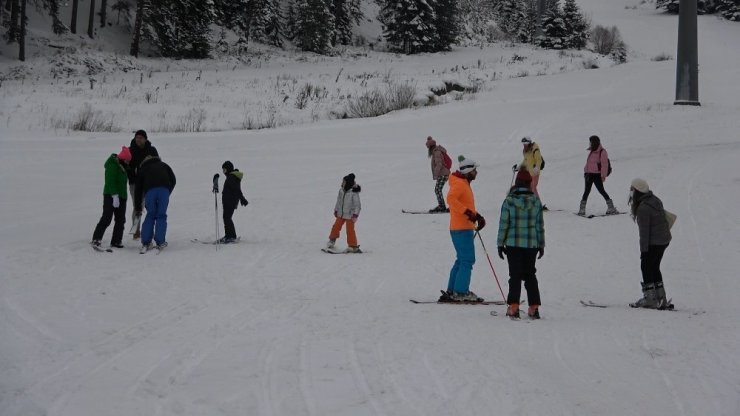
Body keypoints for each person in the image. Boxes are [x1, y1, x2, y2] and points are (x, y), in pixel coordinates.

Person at [496, 169, 545, 319]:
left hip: (513, 244)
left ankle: (514, 307)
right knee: (530, 274)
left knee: (515, 275)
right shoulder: (536, 202)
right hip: (531, 244)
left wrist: (500, 243)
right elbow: (539, 225)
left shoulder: (509, 201)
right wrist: (541, 245)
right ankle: (534, 307)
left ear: (516, 183)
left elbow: (504, 224)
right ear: (530, 183)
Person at [440, 155, 485, 302]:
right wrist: (468, 213)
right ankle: (460, 292)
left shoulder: (462, 182)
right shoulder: (460, 184)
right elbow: (451, 200)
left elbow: (465, 205)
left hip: (461, 227)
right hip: (461, 228)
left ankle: (453, 290)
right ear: (468, 171)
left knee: (461, 259)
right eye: (475, 170)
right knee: (467, 259)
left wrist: (477, 216)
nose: (476, 173)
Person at [628, 178, 672, 309]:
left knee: (646, 266)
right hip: (664, 240)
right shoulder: (655, 200)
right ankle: (660, 297)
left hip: (654, 241)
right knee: (654, 267)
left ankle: (650, 298)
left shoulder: (643, 208)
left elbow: (644, 232)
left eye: (632, 189)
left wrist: (644, 251)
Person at [91, 146, 131, 249]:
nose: (128, 162)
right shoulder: (112, 165)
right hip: (110, 195)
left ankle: (116, 241)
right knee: (107, 217)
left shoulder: (123, 167)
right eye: (127, 160)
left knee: (120, 220)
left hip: (122, 197)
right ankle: (96, 239)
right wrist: (114, 195)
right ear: (122, 159)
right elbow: (110, 181)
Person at [134, 155, 176, 252]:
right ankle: (160, 241)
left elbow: (138, 189)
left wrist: (138, 206)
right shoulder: (164, 165)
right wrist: (167, 191)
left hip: (150, 192)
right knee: (161, 215)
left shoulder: (143, 169)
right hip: (164, 191)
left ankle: (146, 242)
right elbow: (173, 180)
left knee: (150, 215)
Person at [127, 130, 159, 240]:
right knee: (138, 206)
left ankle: (151, 231)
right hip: (135, 183)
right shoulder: (130, 150)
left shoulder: (151, 150)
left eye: (141, 137)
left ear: (145, 139)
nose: (138, 139)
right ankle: (136, 231)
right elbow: (125, 167)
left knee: (152, 206)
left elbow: (158, 163)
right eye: (137, 137)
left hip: (149, 182)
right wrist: (133, 170)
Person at [578, 135, 618, 216]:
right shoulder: (592, 151)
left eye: (591, 142)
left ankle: (611, 207)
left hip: (597, 175)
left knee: (601, 191)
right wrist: (586, 171)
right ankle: (582, 210)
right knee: (586, 191)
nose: (589, 143)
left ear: (594, 142)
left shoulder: (602, 152)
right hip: (589, 174)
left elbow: (604, 164)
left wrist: (603, 176)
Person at [326, 173, 362, 253]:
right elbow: (338, 201)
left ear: (348, 183)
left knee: (350, 230)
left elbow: (357, 205)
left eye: (344, 182)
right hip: (341, 214)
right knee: (336, 227)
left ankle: (353, 246)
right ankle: (332, 241)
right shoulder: (341, 191)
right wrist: (336, 210)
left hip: (350, 215)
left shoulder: (353, 193)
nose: (342, 183)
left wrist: (355, 215)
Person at [220, 161, 248, 243]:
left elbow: (236, 189)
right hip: (229, 201)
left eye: (224, 170)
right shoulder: (231, 177)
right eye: (223, 170)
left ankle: (231, 236)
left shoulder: (231, 177)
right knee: (227, 218)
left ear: (228, 169)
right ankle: (228, 235)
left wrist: (242, 199)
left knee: (227, 218)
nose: (223, 172)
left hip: (230, 202)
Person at [515, 136, 546, 209]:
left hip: (535, 172)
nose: (524, 145)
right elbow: (526, 160)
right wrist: (519, 167)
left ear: (529, 143)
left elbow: (539, 160)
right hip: (530, 172)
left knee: (533, 187)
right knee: (530, 188)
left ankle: (538, 205)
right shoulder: (525, 151)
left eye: (525, 143)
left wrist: (537, 168)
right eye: (523, 143)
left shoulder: (535, 149)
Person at [425, 136, 451, 213]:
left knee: (437, 190)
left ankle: (442, 206)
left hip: (443, 174)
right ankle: (441, 205)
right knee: (437, 190)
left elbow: (439, 164)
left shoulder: (436, 152)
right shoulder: (437, 151)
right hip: (443, 173)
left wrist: (436, 173)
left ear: (430, 147)